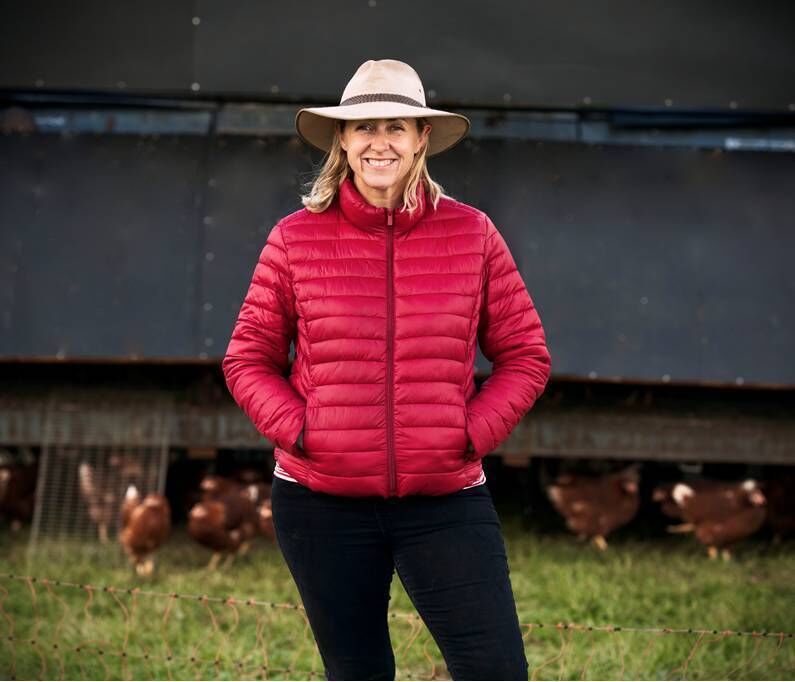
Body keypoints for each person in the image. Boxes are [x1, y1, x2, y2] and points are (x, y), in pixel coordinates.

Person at [222, 59, 551, 681]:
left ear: (421, 138)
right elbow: (248, 359)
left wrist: (468, 435)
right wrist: (304, 432)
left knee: (496, 670)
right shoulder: (295, 239)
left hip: (444, 498)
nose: (380, 143)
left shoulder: (473, 235)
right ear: (342, 140)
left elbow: (526, 354)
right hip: (320, 502)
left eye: (396, 126)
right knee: (358, 672)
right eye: (364, 128)